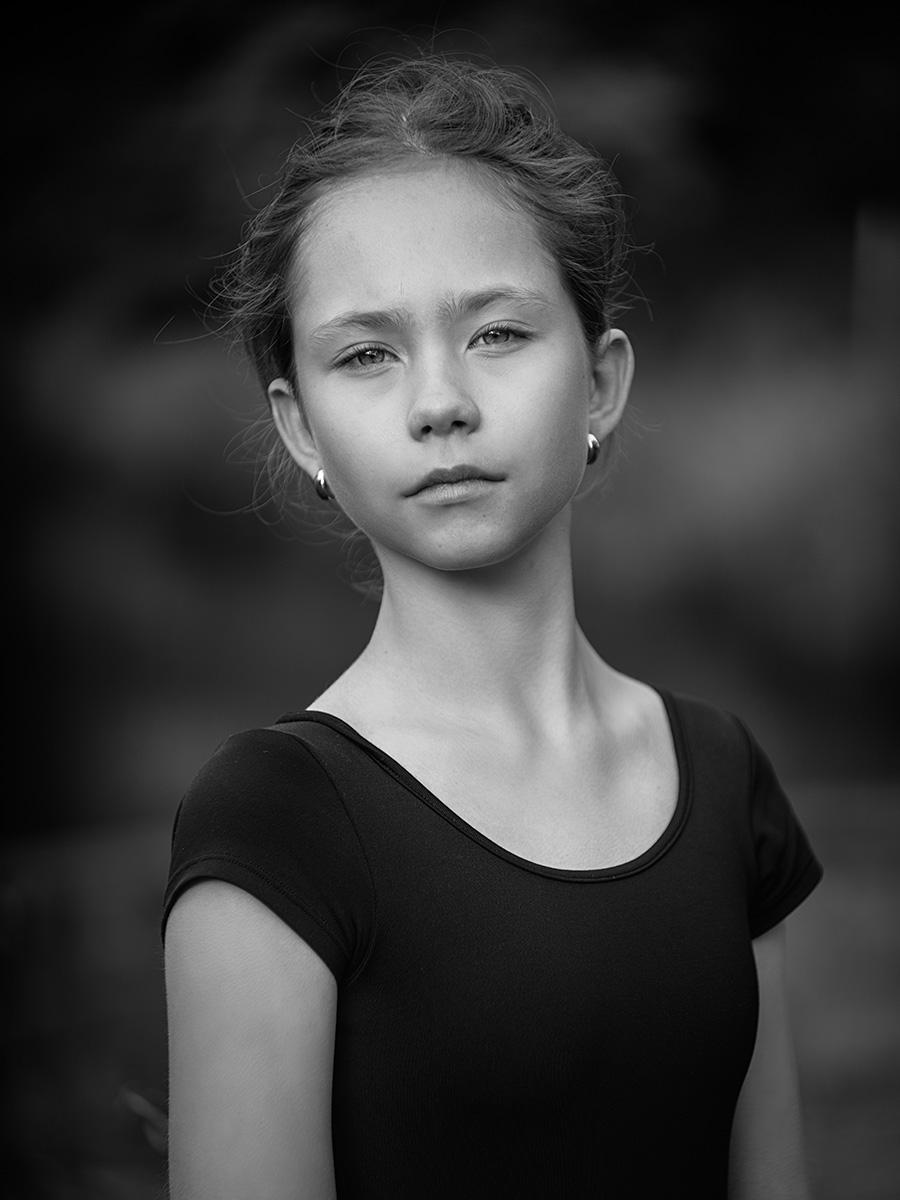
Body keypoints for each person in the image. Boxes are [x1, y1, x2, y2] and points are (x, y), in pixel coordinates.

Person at [161, 54, 823, 1199]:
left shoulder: (722, 775)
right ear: (302, 426)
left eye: (500, 334)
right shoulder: (274, 822)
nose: (440, 402)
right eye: (366, 354)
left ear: (602, 382)